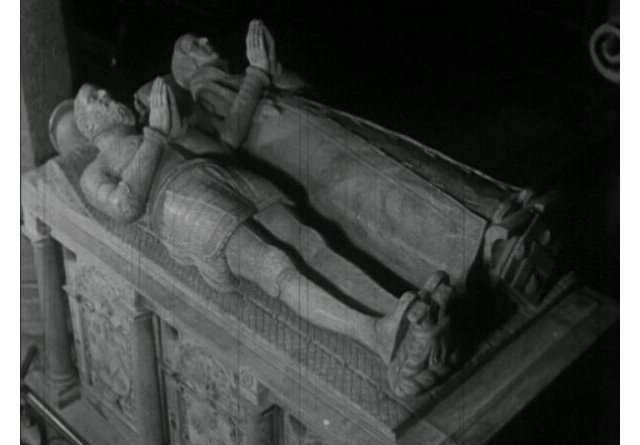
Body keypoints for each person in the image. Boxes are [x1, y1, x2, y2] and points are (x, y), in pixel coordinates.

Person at [74, 20, 457, 394]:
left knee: (311, 240)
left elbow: (221, 149)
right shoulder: (96, 170)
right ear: (87, 126)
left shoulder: (151, 127)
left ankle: (403, 312)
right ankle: (374, 336)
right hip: (181, 204)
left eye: (102, 92)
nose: (106, 96)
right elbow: (126, 204)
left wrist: (179, 133)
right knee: (275, 265)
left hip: (221, 176)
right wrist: (157, 136)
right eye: (94, 100)